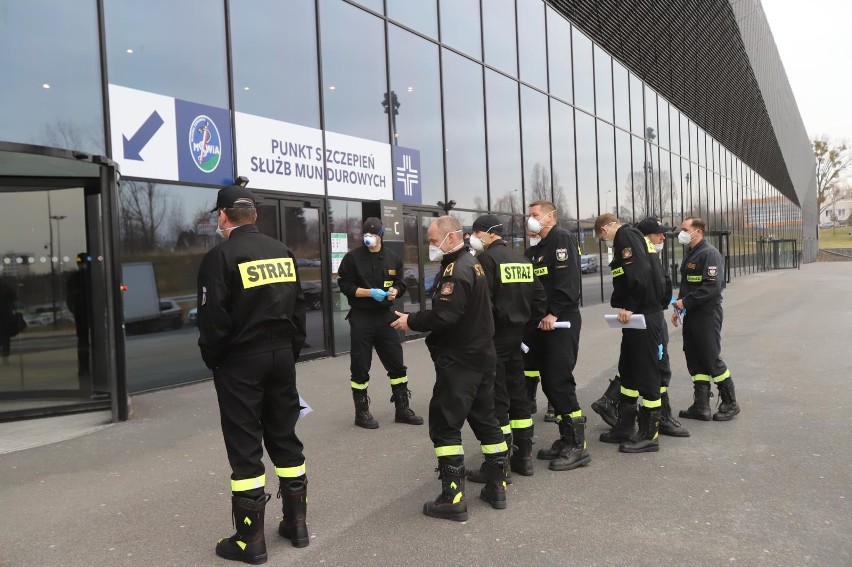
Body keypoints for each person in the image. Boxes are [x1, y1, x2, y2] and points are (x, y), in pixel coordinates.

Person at [197, 185, 309, 564]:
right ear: (255, 216)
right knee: (285, 436)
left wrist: (214, 360)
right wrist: (288, 352)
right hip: (281, 357)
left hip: (241, 362)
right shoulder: (282, 252)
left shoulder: (220, 257)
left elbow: (213, 321)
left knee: (245, 445)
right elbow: (299, 309)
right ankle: (297, 524)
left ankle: (250, 541)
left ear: (223, 217)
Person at [391, 216, 508, 521]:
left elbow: (446, 316)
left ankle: (452, 497)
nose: (430, 246)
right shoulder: (473, 263)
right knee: (487, 422)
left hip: (461, 360)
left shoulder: (458, 270)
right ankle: (497, 487)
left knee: (445, 426)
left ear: (452, 237)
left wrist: (410, 321)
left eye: (432, 241)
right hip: (482, 356)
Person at [466, 214, 547, 481]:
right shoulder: (523, 260)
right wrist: (524, 326)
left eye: (477, 233)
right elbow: (539, 299)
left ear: (489, 234)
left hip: (495, 338)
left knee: (496, 399)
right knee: (519, 396)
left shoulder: (486, 261)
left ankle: (499, 465)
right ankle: (524, 458)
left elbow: (482, 304)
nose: (474, 239)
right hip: (517, 338)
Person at [591, 218, 689, 437]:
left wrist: (631, 306)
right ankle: (625, 427)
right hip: (643, 314)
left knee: (648, 373)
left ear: (605, 229)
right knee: (628, 370)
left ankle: (649, 434)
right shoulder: (637, 241)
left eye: (601, 236)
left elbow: (640, 274)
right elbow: (655, 277)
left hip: (642, 314)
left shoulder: (626, 237)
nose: (603, 240)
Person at [337, 217, 422, 429]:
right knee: (360, 366)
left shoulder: (393, 258)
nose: (369, 238)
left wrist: (396, 291)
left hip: (385, 317)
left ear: (381, 235)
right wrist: (368, 293)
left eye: (373, 235)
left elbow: (400, 283)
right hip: (362, 317)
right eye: (366, 234)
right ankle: (362, 412)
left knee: (397, 364)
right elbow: (345, 285)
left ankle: (402, 408)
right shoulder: (352, 258)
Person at [526, 200, 591, 471]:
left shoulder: (561, 239)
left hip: (560, 321)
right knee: (550, 383)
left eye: (535, 215)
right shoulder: (536, 250)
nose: (530, 219)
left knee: (559, 381)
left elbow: (567, 283)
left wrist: (553, 312)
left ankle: (578, 445)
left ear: (550, 217)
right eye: (529, 215)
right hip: (543, 324)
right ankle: (566, 439)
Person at [673, 216, 740, 422]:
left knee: (710, 357)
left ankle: (730, 403)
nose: (681, 233)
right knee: (694, 356)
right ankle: (701, 405)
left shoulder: (710, 254)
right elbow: (687, 286)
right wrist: (678, 308)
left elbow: (713, 286)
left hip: (707, 313)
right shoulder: (691, 254)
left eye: (685, 229)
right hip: (691, 313)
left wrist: (685, 302)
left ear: (698, 232)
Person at [66, 253, 91, 378]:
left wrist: (73, 309)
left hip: (81, 315)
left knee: (82, 342)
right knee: (87, 341)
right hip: (89, 314)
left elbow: (69, 298)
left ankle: (84, 368)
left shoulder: (74, 278)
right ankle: (87, 367)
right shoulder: (93, 276)